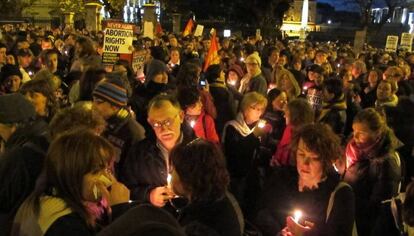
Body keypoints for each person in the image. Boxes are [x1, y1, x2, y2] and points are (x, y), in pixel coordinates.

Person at [12, 130, 131, 236]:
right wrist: (120, 212)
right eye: (96, 171)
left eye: (108, 169)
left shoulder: (46, 197)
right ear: (71, 174)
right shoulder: (65, 223)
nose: (108, 179)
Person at [255, 123, 355, 236]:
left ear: (326, 160)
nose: (305, 163)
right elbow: (261, 213)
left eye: (314, 158)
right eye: (301, 154)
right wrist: (278, 232)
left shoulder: (340, 194)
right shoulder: (282, 178)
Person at [119, 94, 196, 207]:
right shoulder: (139, 153)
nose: (164, 129)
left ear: (181, 116)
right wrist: (149, 195)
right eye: (156, 124)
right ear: (149, 122)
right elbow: (125, 189)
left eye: (168, 121)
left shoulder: (199, 151)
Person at [343, 108, 402, 236]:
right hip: (351, 218)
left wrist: (348, 202)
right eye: (354, 131)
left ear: (378, 133)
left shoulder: (386, 163)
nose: (355, 137)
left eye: (362, 133)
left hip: (366, 227)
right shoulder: (354, 151)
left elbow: (379, 207)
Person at [170, 139, 244, 236]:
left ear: (188, 177)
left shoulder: (198, 226)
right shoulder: (222, 197)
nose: (171, 175)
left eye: (174, 170)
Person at [223, 92, 267, 218]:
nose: (259, 112)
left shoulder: (256, 128)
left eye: (261, 109)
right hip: (236, 176)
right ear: (245, 108)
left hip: (251, 175)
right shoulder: (232, 127)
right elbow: (235, 153)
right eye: (255, 108)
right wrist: (254, 136)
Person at [92, 79, 146, 174]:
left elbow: (133, 173)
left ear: (115, 106)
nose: (93, 106)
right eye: (93, 101)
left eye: (99, 102)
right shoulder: (99, 124)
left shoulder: (134, 133)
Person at [271, 98, 314, 167]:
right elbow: (283, 146)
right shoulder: (289, 128)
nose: (284, 116)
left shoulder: (305, 138)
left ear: (295, 116)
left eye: (287, 114)